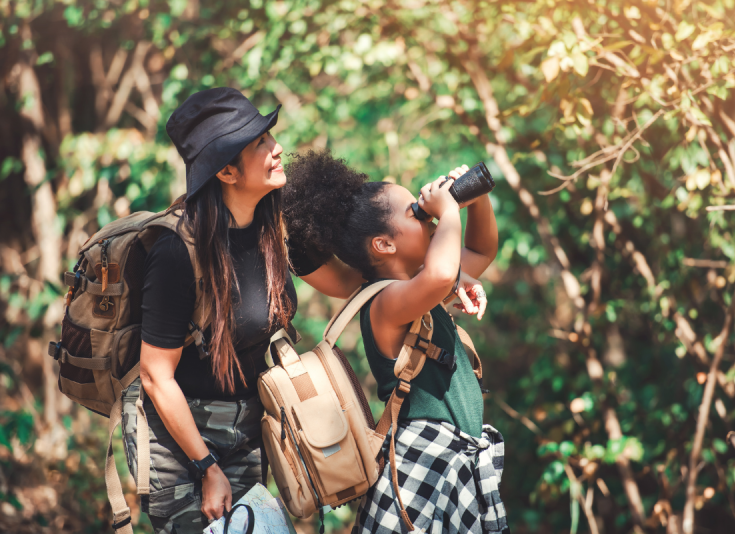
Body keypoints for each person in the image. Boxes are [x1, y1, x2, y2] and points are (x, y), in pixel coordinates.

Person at [120, 88, 486, 534]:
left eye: (268, 135)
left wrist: (452, 280)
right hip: (182, 448)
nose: (276, 148)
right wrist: (205, 468)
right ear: (227, 171)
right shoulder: (178, 252)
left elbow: (365, 287)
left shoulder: (275, 232)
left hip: (250, 433)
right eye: (258, 144)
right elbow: (156, 376)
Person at [283, 150, 507, 533]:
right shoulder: (385, 301)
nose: (430, 213)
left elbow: (482, 251)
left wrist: (476, 200)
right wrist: (450, 209)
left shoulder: (420, 285)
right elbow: (439, 275)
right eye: (415, 212)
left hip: (451, 461)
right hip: (420, 468)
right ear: (384, 245)